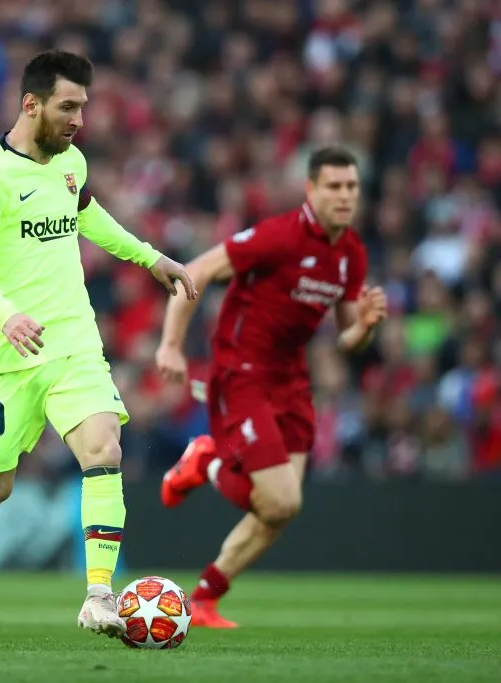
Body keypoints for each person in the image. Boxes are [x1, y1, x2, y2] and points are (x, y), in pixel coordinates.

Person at [0, 50, 197, 638]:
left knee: (104, 449)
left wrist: (150, 257)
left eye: (84, 106)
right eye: (68, 106)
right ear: (31, 104)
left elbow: (88, 215)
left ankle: (99, 596)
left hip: (72, 341)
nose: (80, 118)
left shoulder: (70, 162)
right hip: (5, 356)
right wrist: (4, 316)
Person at [154, 146, 388, 628]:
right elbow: (196, 271)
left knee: (279, 511)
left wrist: (364, 327)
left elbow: (346, 339)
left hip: (291, 380)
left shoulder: (350, 254)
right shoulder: (278, 237)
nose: (345, 196)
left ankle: (203, 600)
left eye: (352, 187)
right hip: (242, 372)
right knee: (282, 500)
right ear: (311, 189)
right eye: (334, 186)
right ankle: (209, 459)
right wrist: (172, 345)